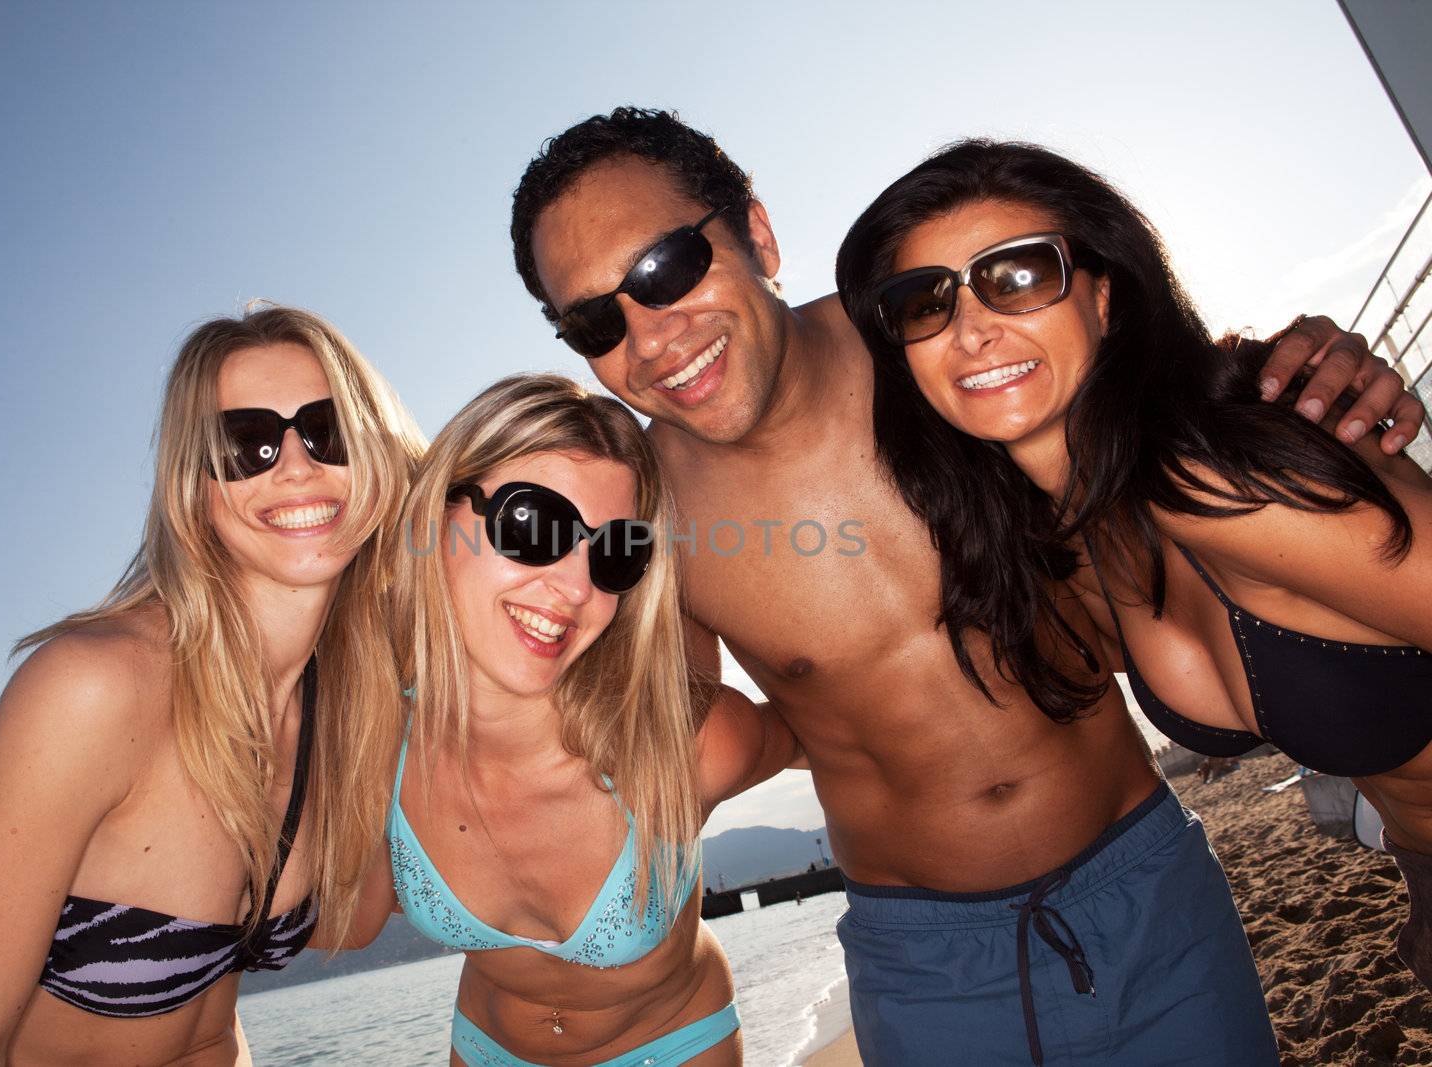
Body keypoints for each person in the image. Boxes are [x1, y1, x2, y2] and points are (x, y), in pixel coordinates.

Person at [507, 107, 1426, 1064]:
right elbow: (690, 732)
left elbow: (1147, 391)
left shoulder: (941, 343)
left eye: (666, 268)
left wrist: (1297, 367)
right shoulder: (644, 513)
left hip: (1145, 886)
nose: (651, 338)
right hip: (926, 963)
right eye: (596, 320)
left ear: (758, 233)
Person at [834, 139, 1432, 990]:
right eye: (924, 302)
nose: (972, 328)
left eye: (1019, 275)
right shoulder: (1077, 540)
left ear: (1105, 297)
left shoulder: (1215, 473)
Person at [0, 306, 421, 1064]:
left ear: (376, 453)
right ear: (192, 486)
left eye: (326, 429)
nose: (295, 464)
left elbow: (352, 922)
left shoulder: (346, 709)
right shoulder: (92, 690)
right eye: (247, 445)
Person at [385, 374, 799, 1066]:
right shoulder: (370, 742)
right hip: (485, 1048)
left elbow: (827, 736)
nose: (578, 588)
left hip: (669, 1046)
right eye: (535, 526)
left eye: (615, 554)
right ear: (435, 515)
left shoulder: (685, 745)